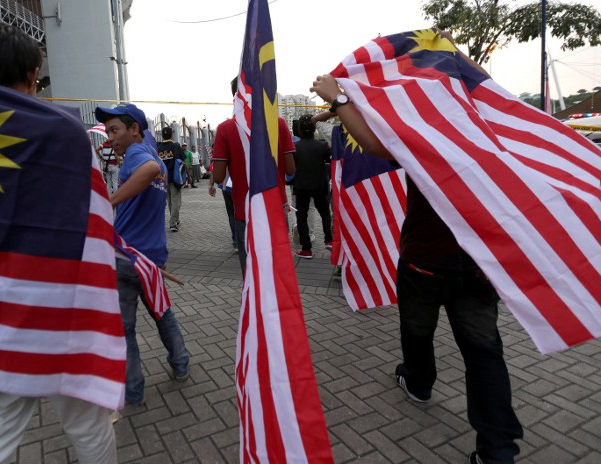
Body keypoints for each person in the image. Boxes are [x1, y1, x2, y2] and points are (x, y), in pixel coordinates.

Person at [310, 32, 522, 464]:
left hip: (425, 260)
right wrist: (452, 52)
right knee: (484, 352)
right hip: (479, 262)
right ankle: (497, 449)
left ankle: (420, 383)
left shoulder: (426, 135)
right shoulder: (489, 129)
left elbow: (373, 143)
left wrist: (339, 97)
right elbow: (487, 85)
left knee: (417, 331)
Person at [0, 24, 117, 464]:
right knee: (88, 425)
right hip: (64, 306)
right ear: (34, 75)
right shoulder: (66, 131)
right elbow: (94, 215)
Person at [95, 103, 190, 406]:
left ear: (135, 129)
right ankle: (181, 364)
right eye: (108, 131)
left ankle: (134, 392)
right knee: (163, 314)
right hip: (151, 258)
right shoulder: (149, 155)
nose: (110, 138)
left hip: (126, 258)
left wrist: (110, 200)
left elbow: (148, 171)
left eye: (115, 130)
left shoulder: (138, 155)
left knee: (125, 330)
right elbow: (152, 171)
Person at [212, 76, 296, 274]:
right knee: (277, 269)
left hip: (245, 210)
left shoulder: (225, 129)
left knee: (250, 271)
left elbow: (218, 177)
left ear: (236, 96)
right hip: (276, 207)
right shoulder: (279, 123)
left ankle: (254, 304)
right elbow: (291, 170)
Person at [292, 114, 333, 259]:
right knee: (325, 213)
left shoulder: (294, 147)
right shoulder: (322, 146)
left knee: (302, 216)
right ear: (314, 128)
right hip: (320, 185)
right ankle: (329, 239)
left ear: (299, 130)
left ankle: (306, 249)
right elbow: (332, 159)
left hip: (301, 186)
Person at [157, 127, 186, 231]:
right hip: (175, 178)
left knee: (170, 201)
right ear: (172, 135)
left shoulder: (159, 148)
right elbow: (184, 161)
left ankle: (175, 219)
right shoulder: (176, 146)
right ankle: (173, 223)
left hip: (163, 178)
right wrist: (188, 176)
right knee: (176, 201)